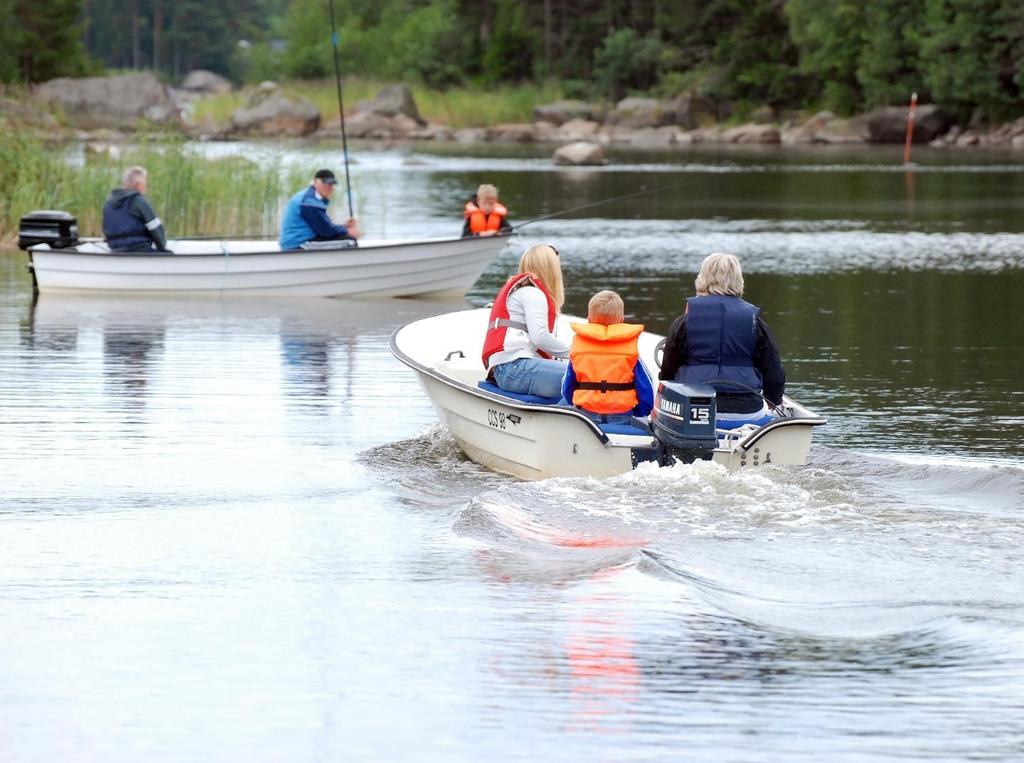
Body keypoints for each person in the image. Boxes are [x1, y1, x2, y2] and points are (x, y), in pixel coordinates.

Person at [659, 252, 785, 424]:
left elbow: (668, 369)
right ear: (738, 280)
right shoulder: (755, 322)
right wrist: (774, 400)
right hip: (747, 409)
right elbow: (773, 370)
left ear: (702, 279)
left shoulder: (684, 321)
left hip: (694, 408)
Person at [481, 244, 569, 398]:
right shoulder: (533, 294)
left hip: (506, 369)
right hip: (514, 368)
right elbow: (540, 337)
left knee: (582, 375)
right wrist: (579, 353)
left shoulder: (526, 292)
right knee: (584, 376)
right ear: (550, 269)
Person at [562, 290, 654, 425]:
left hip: (586, 414)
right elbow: (646, 387)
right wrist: (640, 412)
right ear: (621, 321)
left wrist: (575, 403)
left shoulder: (578, 350)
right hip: (622, 415)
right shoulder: (630, 351)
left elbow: (567, 387)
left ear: (588, 320)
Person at [279, 169, 361, 250]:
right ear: (315, 181)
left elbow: (324, 226)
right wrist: (347, 230)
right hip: (299, 244)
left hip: (300, 241)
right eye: (325, 183)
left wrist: (344, 227)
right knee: (350, 241)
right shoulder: (309, 202)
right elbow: (325, 230)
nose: (329, 187)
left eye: (331, 184)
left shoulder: (310, 197)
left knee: (344, 237)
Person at [102, 166, 168, 252]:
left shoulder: (108, 203)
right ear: (137, 185)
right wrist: (162, 248)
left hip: (115, 251)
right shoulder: (139, 201)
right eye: (145, 183)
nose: (146, 187)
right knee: (171, 256)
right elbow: (159, 235)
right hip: (139, 250)